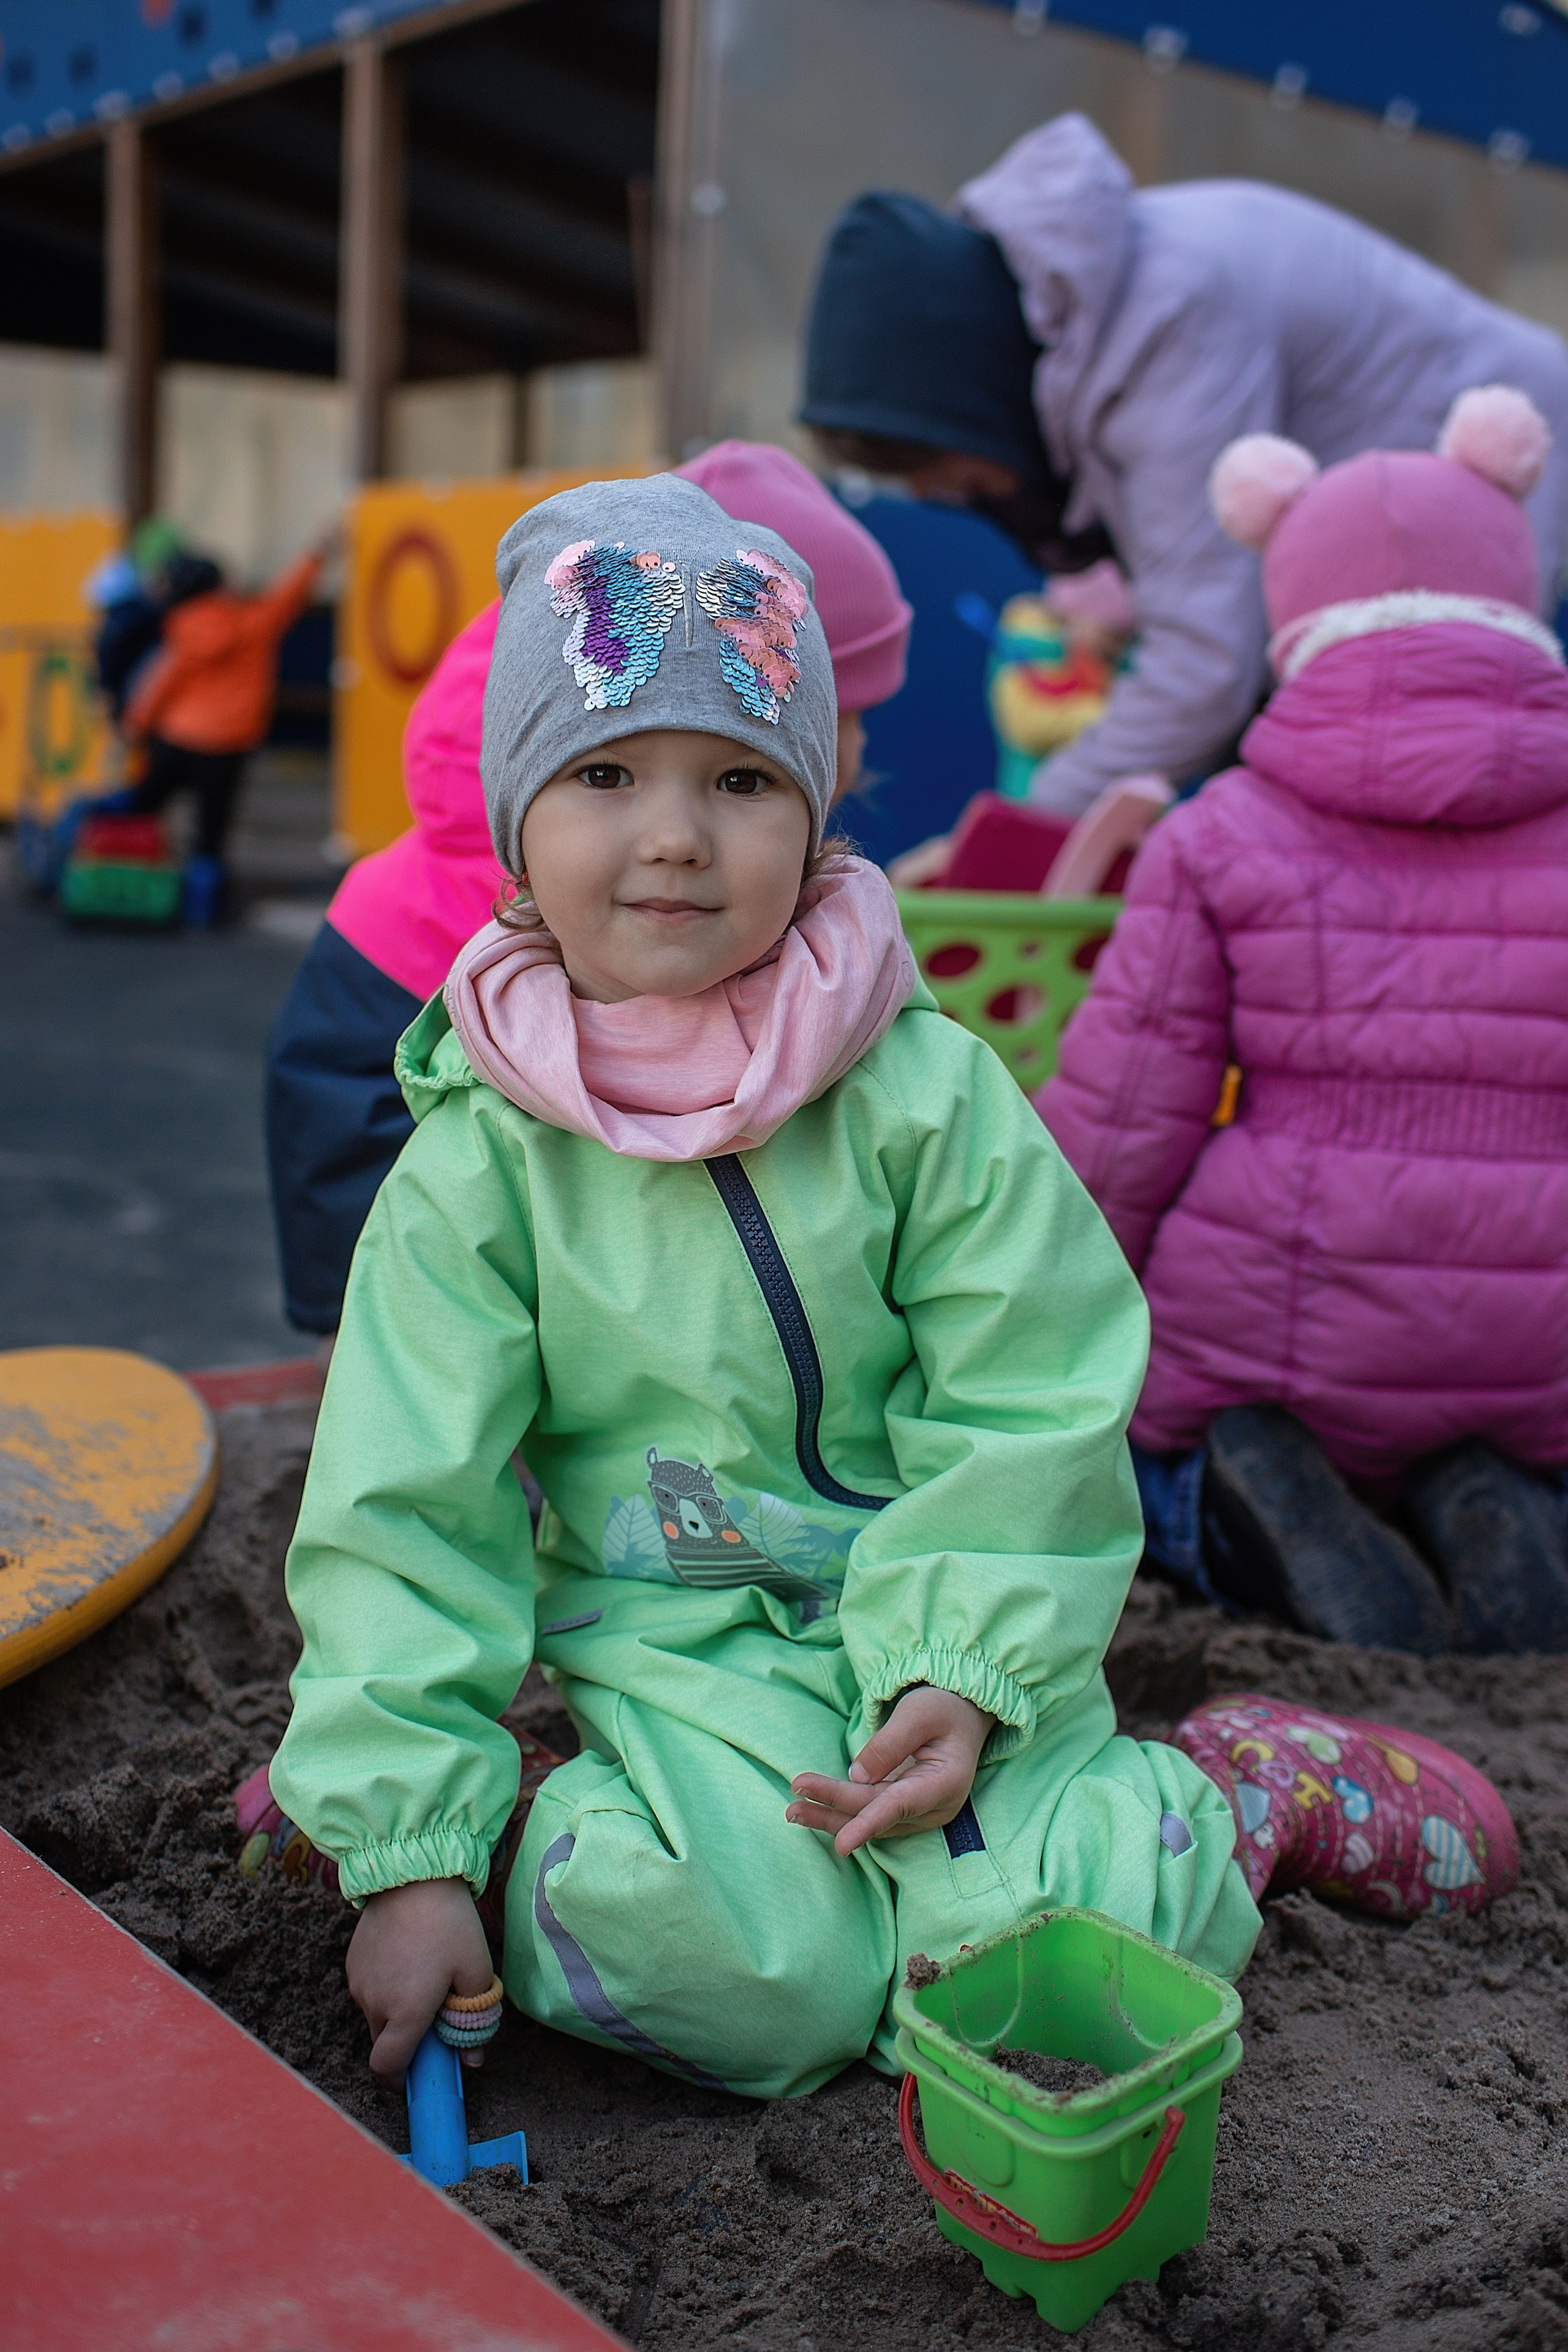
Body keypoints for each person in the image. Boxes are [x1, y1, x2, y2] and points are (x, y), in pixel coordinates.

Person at [254, 472, 1512, 2096]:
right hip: (676, 1643)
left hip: (950, 1610)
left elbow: (1036, 1388)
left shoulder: (925, 1094)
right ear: (515, 811)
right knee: (758, 1984)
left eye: (739, 780)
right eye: (604, 772)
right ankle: (483, 1809)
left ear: (816, 809)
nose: (673, 836)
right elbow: (401, 1505)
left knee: (1071, 1939)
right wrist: (407, 1843)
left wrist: (964, 1670)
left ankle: (1236, 1791)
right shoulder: (482, 1160)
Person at [1036, 388, 1568, 1661]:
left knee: (1149, 1475)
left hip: (1270, 1312)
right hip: (1533, 1322)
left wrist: (1036, 1301)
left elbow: (1122, 1120)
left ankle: (1238, 1513)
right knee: (1530, 1455)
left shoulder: (1217, 832)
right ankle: (1485, 1492)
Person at [264, 447, 912, 1338]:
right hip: (378, 1052)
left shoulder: (563, 744)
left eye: (740, 781)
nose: (673, 840)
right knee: (404, 1344)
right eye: (849, 711)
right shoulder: (544, 878)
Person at [801, 113, 1568, 821]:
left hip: (1503, 464)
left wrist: (1018, 836)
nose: (933, 493)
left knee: (1419, 784)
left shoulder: (1168, 316)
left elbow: (1206, 664)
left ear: (971, 394)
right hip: (1413, 500)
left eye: (926, 458)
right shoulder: (1090, 314)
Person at [121, 526, 335, 925]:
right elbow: (289, 595)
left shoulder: (180, 629)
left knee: (141, 805)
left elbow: (158, 684)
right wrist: (317, 553)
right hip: (226, 746)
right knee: (211, 831)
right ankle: (202, 912)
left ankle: (120, 877)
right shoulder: (253, 622)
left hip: (175, 737)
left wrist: (135, 725)